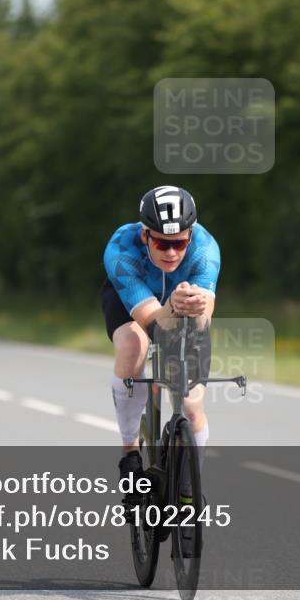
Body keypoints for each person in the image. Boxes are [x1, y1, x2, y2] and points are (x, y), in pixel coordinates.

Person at [102, 186, 220, 500]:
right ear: (145, 235)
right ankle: (130, 453)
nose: (171, 253)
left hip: (180, 302)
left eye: (179, 243)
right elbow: (153, 324)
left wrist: (196, 310)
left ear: (190, 236)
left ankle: (189, 491)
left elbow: (202, 322)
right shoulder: (121, 248)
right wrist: (171, 307)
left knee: (192, 406)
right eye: (161, 243)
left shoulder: (206, 249)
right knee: (133, 345)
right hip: (134, 300)